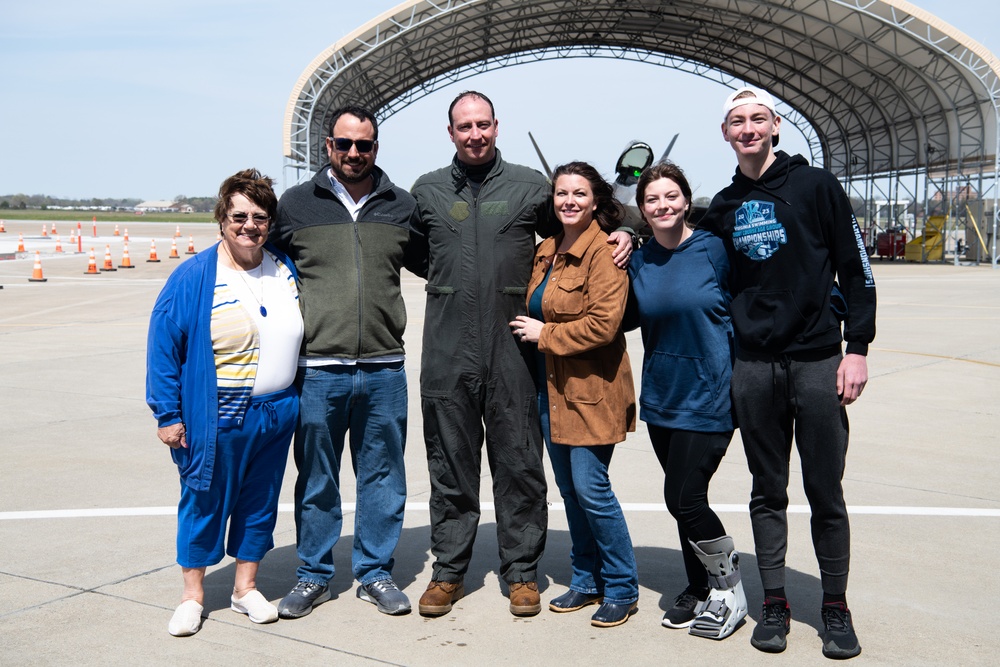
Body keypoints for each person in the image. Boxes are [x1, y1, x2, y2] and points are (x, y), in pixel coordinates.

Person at [408, 91, 634, 617]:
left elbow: (580, 225)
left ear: (496, 126)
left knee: (519, 465)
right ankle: (448, 573)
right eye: (464, 126)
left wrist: (627, 230)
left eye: (483, 124)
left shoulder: (532, 188)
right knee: (450, 467)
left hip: (514, 351)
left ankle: (522, 573)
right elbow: (415, 253)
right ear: (450, 133)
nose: (475, 134)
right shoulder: (427, 191)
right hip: (447, 352)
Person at [702, 86, 876, 659]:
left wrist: (858, 347)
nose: (748, 128)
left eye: (757, 118)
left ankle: (835, 607)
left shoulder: (816, 186)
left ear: (775, 126)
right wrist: (626, 232)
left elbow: (855, 267)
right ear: (725, 135)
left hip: (818, 359)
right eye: (736, 121)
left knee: (826, 491)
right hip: (754, 365)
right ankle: (775, 604)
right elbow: (682, 248)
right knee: (766, 492)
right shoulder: (724, 206)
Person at [271, 106, 421, 618]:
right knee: (317, 478)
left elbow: (442, 259)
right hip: (317, 371)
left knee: (383, 476)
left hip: (384, 368)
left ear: (376, 147)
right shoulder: (295, 205)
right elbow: (255, 259)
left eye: (365, 145)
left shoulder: (401, 205)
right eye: (344, 144)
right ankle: (313, 574)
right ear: (327, 147)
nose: (354, 153)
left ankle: (375, 572)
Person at [146, 169, 303, 637]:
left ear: (269, 222)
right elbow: (163, 347)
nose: (249, 225)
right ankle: (192, 597)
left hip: (278, 411)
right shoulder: (195, 276)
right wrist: (168, 415)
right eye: (239, 216)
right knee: (203, 500)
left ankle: (244, 589)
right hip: (217, 413)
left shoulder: (281, 269)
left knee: (260, 503)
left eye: (259, 216)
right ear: (222, 219)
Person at [510, 162, 638, 628]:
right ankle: (585, 579)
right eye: (562, 193)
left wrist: (546, 334)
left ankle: (622, 586)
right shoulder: (546, 249)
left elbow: (605, 325)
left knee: (592, 489)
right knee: (570, 491)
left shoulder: (605, 251)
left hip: (591, 393)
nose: (569, 201)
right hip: (552, 391)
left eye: (579, 194)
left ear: (595, 200)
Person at [623, 161, 747, 640]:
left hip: (711, 395)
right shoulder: (639, 258)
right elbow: (627, 316)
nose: (663, 205)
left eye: (671, 196)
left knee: (685, 497)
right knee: (681, 500)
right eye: (652, 200)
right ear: (642, 209)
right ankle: (697, 586)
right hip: (661, 397)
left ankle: (727, 586)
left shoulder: (715, 250)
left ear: (686, 199)